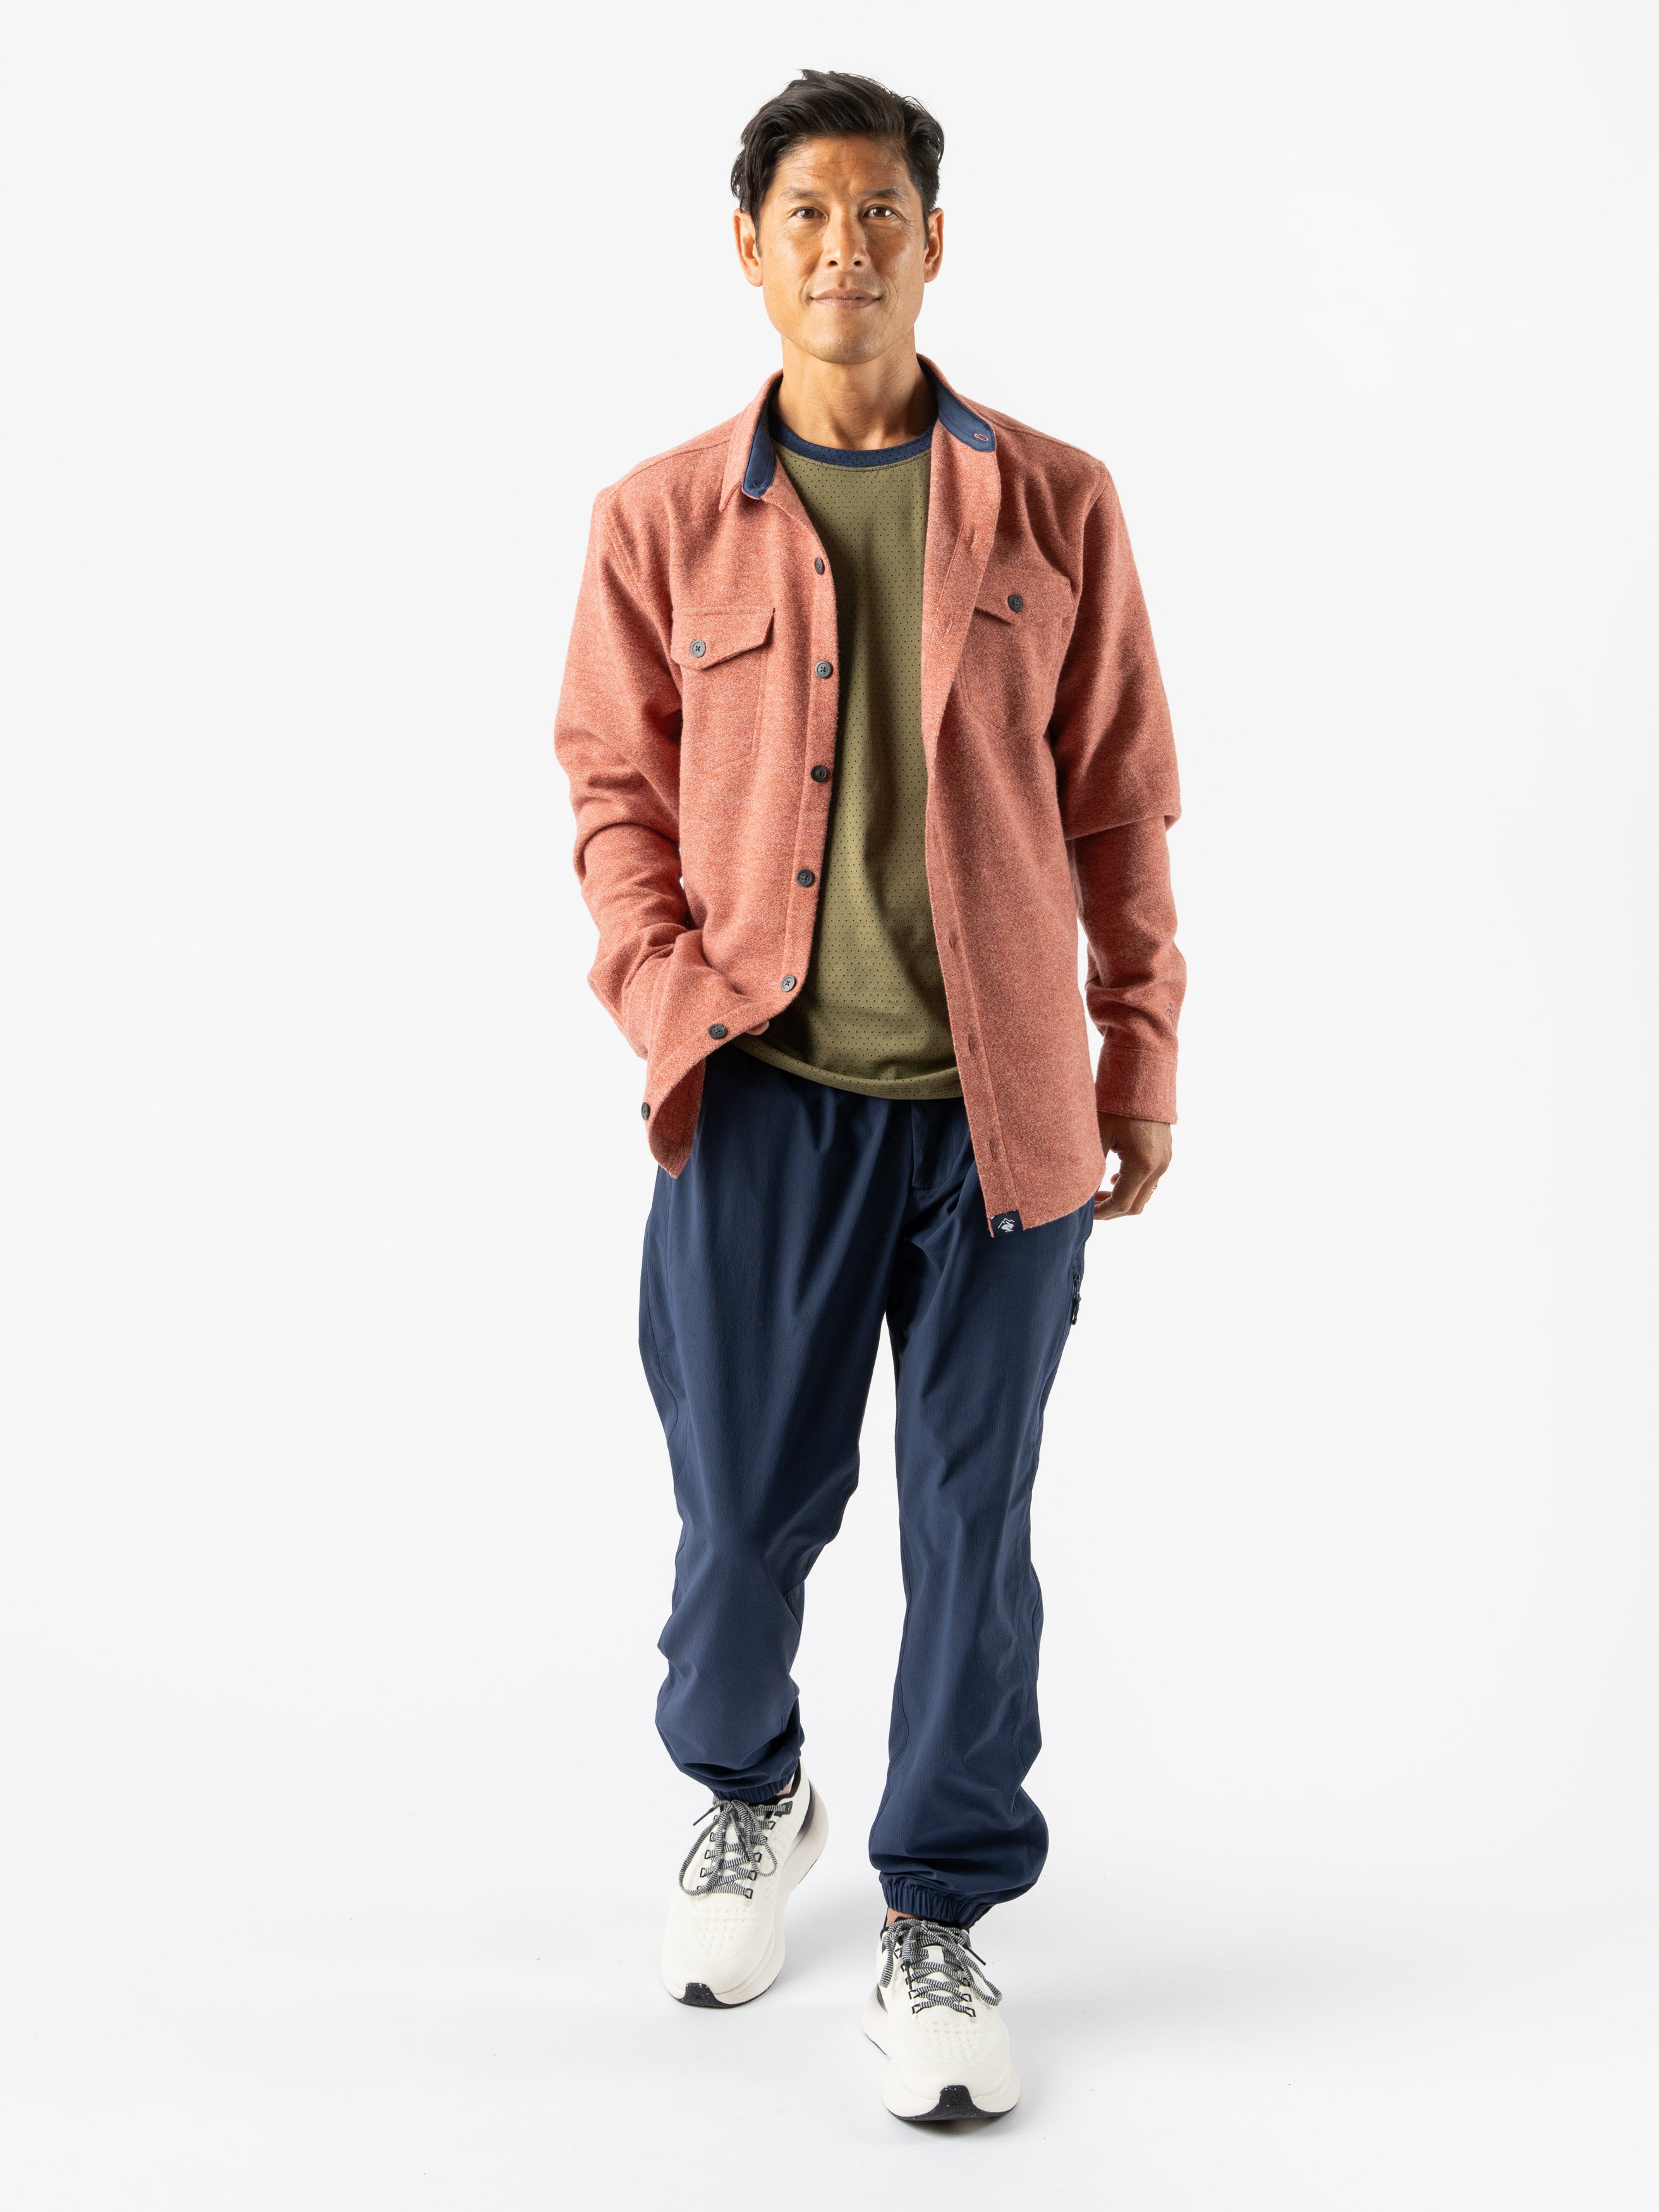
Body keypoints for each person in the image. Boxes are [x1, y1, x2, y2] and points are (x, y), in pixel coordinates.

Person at [555, 68, 1184, 2123]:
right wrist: (664, 992)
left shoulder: (1056, 502)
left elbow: (1120, 802)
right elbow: (612, 790)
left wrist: (1138, 1049)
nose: (847, 247)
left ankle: (937, 1909)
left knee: (970, 1525)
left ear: (934, 242)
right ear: (749, 250)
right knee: (742, 1521)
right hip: (759, 1102)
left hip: (1005, 1120)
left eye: (882, 212)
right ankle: (752, 1786)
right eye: (808, 215)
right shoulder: (659, 517)